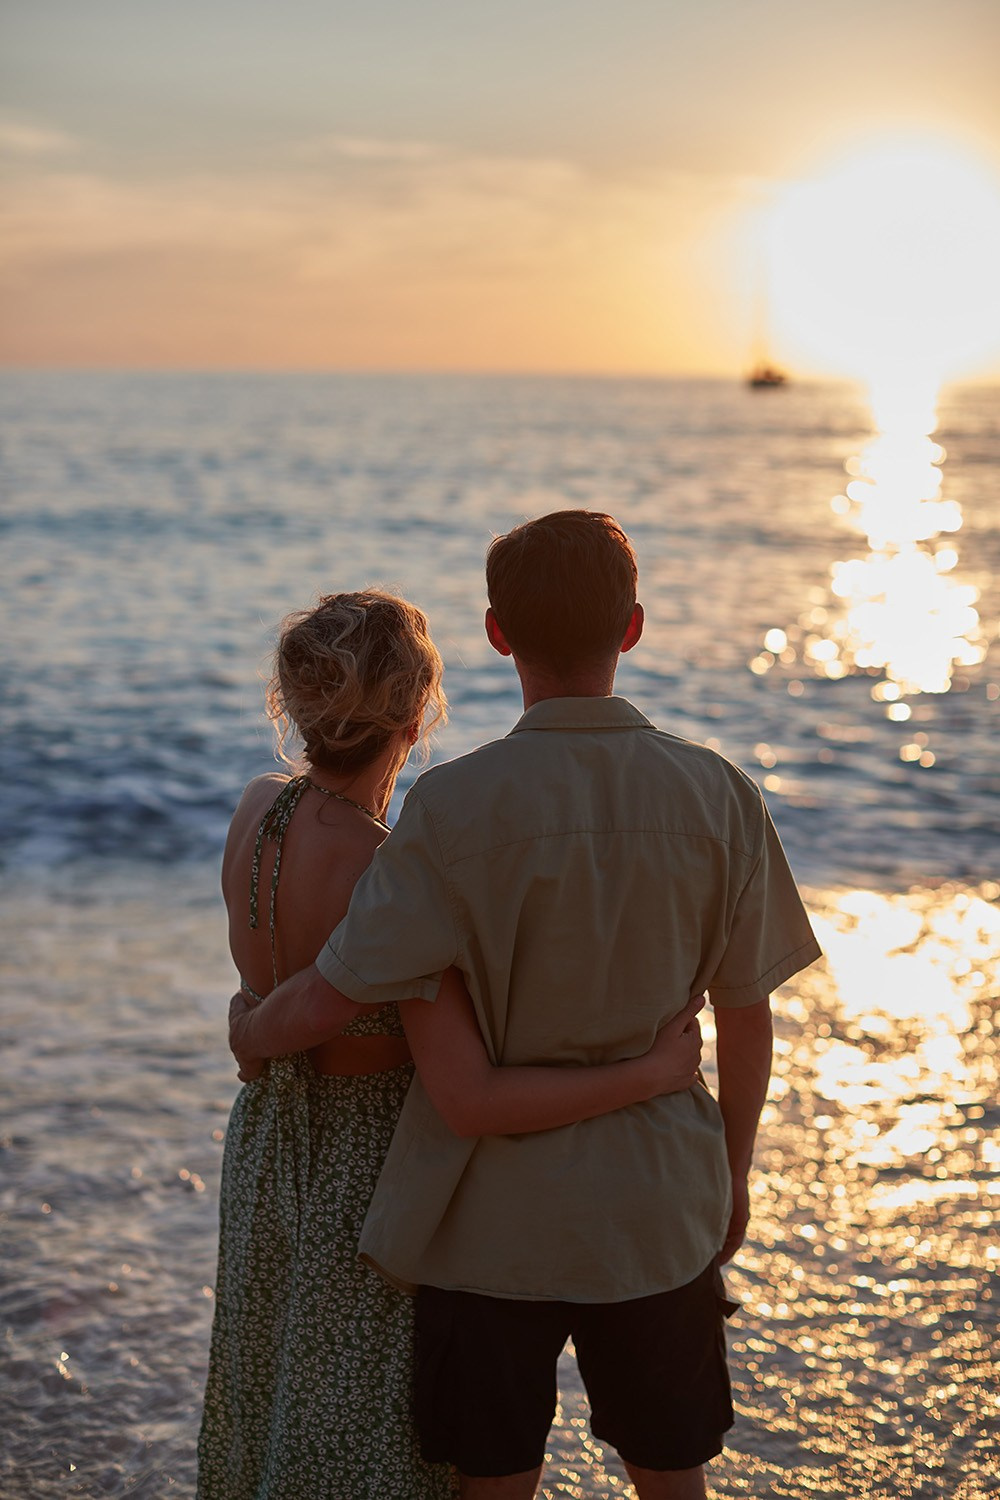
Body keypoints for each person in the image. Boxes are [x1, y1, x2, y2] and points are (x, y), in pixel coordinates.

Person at [229, 517, 822, 1500]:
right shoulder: (721, 794)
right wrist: (732, 1174)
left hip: (488, 1228)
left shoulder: (447, 809)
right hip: (657, 1210)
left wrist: (251, 1029)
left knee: (492, 1483)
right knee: (671, 1478)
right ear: (632, 628)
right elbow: (747, 1012)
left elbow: (343, 986)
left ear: (498, 634)